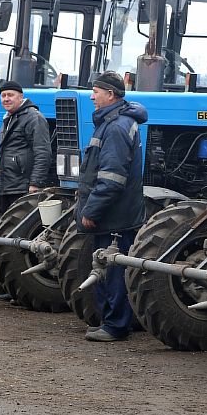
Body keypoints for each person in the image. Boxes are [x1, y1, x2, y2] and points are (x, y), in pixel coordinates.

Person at [76, 71, 147, 342]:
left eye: (96, 92)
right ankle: (110, 321)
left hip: (115, 215)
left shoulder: (116, 127)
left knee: (114, 269)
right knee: (107, 266)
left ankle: (116, 325)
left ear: (111, 94)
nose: (91, 97)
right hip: (113, 213)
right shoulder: (110, 123)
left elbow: (112, 178)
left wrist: (92, 210)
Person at [0, 80, 52, 302]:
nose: (6, 99)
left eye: (10, 95)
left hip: (22, 186)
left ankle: (22, 290)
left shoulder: (33, 118)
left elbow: (43, 152)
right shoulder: (9, 119)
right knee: (8, 239)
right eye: (3, 96)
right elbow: (0, 157)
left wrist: (36, 183)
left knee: (21, 241)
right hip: (7, 186)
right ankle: (11, 287)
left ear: (21, 97)